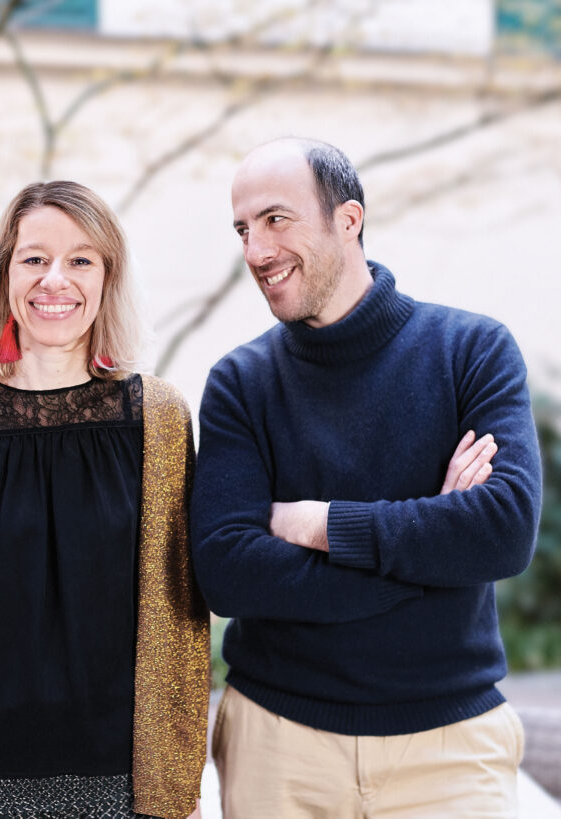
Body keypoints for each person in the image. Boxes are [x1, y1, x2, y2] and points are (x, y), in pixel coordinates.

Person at [191, 136, 542, 817]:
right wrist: (430, 550)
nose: (255, 252)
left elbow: (502, 532)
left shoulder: (471, 350)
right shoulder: (241, 382)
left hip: (449, 750)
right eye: (242, 229)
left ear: (348, 219)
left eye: (275, 219)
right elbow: (229, 573)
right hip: (278, 744)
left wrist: (321, 522)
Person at [0, 181, 211, 819]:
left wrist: (176, 790)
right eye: (34, 258)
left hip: (123, 781)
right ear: (5, 273)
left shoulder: (159, 418)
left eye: (81, 259)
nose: (55, 279)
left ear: (107, 277)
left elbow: (181, 612)